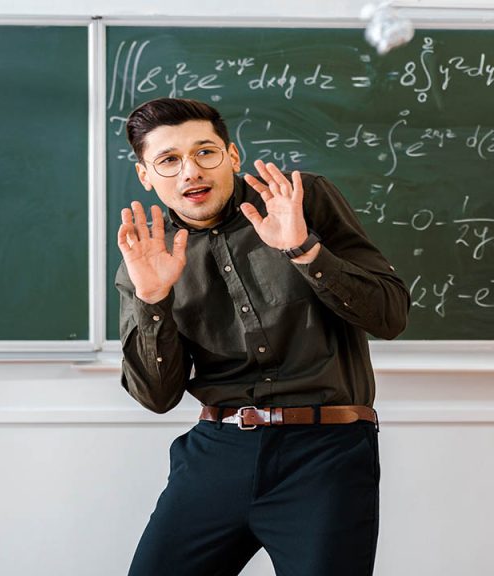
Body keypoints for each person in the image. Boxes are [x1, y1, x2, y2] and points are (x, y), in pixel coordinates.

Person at [115, 97, 410, 576]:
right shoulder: (148, 257)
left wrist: (304, 250)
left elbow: (391, 316)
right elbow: (157, 397)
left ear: (231, 156)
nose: (191, 171)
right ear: (146, 175)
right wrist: (153, 300)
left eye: (205, 152)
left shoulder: (300, 201)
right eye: (169, 160)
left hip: (326, 453)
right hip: (218, 451)